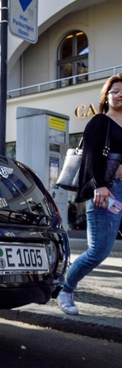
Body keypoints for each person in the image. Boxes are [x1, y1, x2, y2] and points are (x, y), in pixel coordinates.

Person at [57, 73, 122, 315]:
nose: (119, 94)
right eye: (114, 90)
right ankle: (65, 288)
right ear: (107, 96)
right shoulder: (100, 122)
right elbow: (91, 156)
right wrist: (100, 185)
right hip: (108, 191)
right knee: (98, 251)